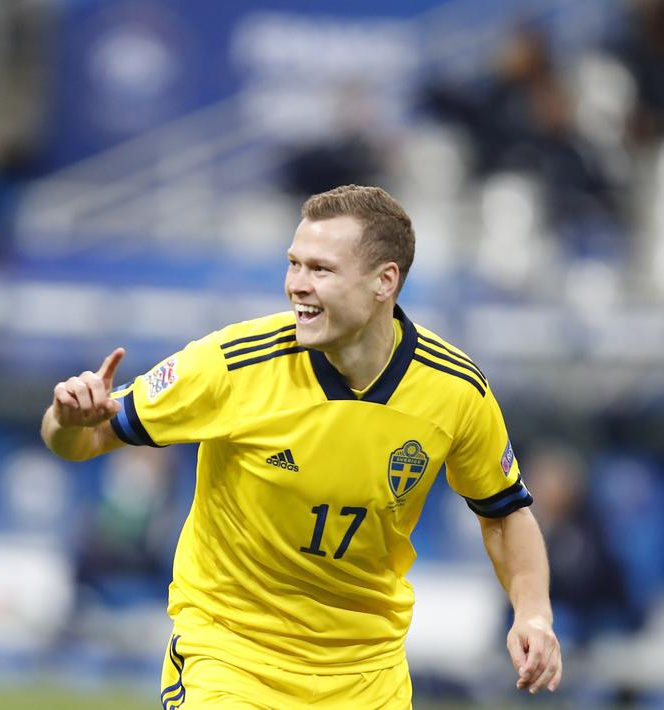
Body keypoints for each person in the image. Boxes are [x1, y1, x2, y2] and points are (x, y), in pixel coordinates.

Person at [41, 185, 562, 708]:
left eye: (321, 270)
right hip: (232, 656)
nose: (297, 286)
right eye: (294, 264)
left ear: (385, 281)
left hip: (365, 674)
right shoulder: (232, 365)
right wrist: (66, 418)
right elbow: (84, 437)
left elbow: (503, 512)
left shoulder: (455, 391)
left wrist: (533, 612)